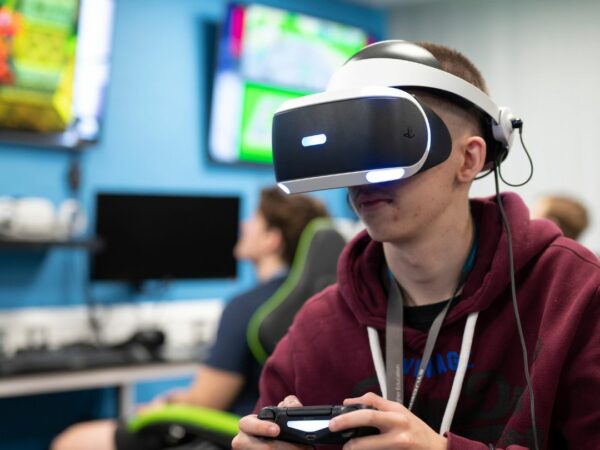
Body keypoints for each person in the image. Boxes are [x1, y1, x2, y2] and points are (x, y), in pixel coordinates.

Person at [231, 41, 600, 449]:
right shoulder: (317, 329)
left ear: (468, 160)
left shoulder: (574, 295)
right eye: (351, 149)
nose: (361, 179)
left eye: (384, 144)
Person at [51, 187, 329, 450]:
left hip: (231, 434)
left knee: (71, 440)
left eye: (254, 219)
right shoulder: (320, 303)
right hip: (278, 435)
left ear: (272, 238)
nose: (244, 225)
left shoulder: (247, 307)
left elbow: (206, 402)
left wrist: (166, 407)